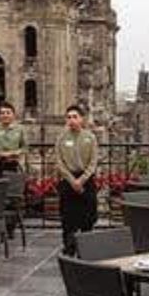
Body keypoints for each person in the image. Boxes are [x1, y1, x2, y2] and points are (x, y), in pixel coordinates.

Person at [55, 105, 98, 256]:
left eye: (75, 117)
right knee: (68, 219)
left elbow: (93, 161)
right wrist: (72, 180)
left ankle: (86, 250)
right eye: (69, 117)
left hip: (86, 181)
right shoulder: (61, 139)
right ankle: (69, 249)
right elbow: (59, 162)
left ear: (82, 119)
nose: (72, 120)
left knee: (88, 217)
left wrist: (82, 180)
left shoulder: (90, 137)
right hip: (68, 180)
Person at [0, 101, 27, 179]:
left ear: (13, 115)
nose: (5, 115)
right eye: (2, 113)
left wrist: (15, 153)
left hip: (13, 163)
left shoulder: (19, 130)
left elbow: (25, 147)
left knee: (12, 185)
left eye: (8, 113)